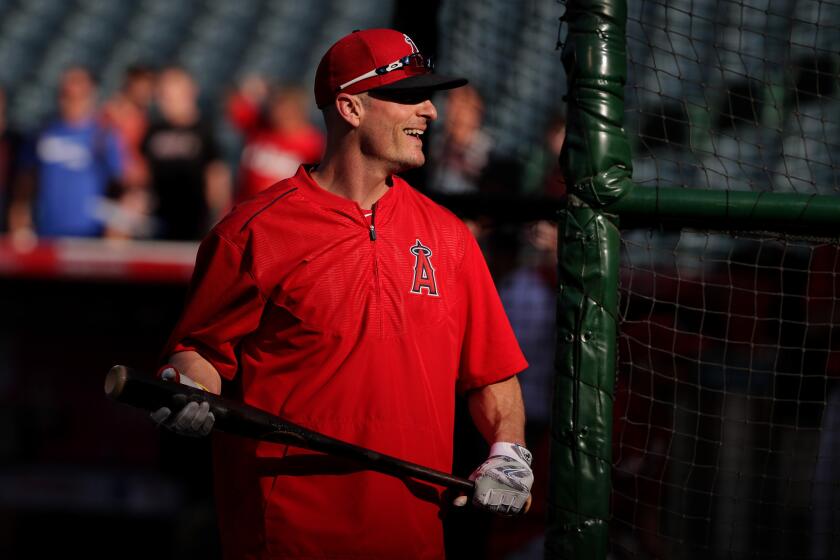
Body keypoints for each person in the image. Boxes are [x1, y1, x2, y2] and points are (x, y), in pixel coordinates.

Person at [150, 29, 534, 559]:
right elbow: (198, 353)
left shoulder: (450, 237)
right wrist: (186, 388)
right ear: (351, 107)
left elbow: (491, 373)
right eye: (407, 97)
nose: (430, 112)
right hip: (287, 538)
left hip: (414, 538)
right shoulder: (252, 232)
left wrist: (510, 451)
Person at [7, 66, 124, 240]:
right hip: (46, 234)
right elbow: (26, 182)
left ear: (91, 96)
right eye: (67, 95)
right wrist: (20, 218)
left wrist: (116, 227)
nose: (73, 101)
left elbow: (120, 185)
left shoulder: (103, 135)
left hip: (89, 235)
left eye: (79, 96)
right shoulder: (43, 133)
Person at [141, 66, 231, 240]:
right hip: (159, 220)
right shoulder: (154, 130)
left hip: (195, 220)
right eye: (162, 96)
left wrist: (216, 217)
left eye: (170, 97)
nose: (164, 102)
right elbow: (142, 173)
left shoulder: (205, 131)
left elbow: (217, 177)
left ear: (189, 93)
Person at [232, 84, 325, 203]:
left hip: (281, 213)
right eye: (275, 105)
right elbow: (234, 106)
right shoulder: (260, 126)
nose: (276, 111)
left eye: (283, 106)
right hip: (243, 206)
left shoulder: (313, 143)